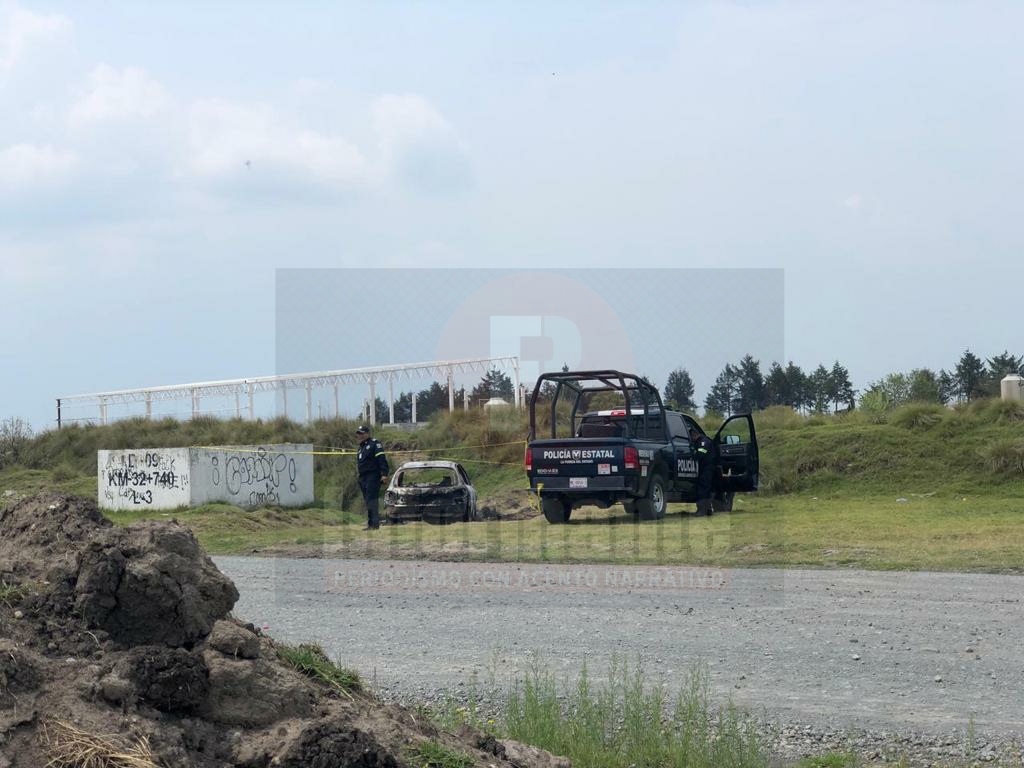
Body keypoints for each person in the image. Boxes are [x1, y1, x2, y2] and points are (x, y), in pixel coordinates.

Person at [355, 425, 389, 530]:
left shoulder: (375, 444)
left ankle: (374, 524)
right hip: (363, 478)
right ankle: (370, 524)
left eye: (361, 433)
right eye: (358, 434)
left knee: (372, 500)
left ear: (367, 433)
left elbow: (381, 459)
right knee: (367, 500)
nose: (360, 435)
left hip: (372, 476)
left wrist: (384, 474)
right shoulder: (361, 447)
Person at [689, 426, 716, 516]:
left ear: (695, 435)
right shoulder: (701, 441)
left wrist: (693, 456)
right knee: (706, 489)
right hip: (705, 468)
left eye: (692, 437)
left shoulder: (703, 441)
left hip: (707, 468)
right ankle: (708, 509)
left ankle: (701, 510)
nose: (692, 440)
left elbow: (701, 453)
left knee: (702, 489)